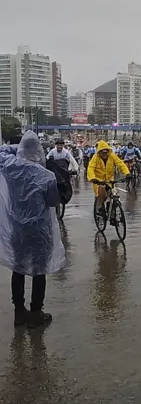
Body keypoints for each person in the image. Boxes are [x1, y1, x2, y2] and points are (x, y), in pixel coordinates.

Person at [0, 131, 66, 327]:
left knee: (18, 269)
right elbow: (54, 201)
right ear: (39, 151)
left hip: (17, 230)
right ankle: (36, 313)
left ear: (21, 149)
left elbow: (2, 151)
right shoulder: (47, 176)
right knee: (39, 271)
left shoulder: (10, 167)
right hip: (39, 231)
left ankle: (19, 312)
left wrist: (15, 149)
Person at [87, 140, 130, 208]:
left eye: (106, 152)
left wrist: (127, 173)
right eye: (103, 153)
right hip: (98, 181)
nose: (105, 154)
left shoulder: (112, 156)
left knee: (114, 195)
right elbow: (90, 168)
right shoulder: (95, 158)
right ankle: (99, 207)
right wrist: (92, 178)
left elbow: (120, 164)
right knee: (101, 193)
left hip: (110, 180)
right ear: (99, 152)